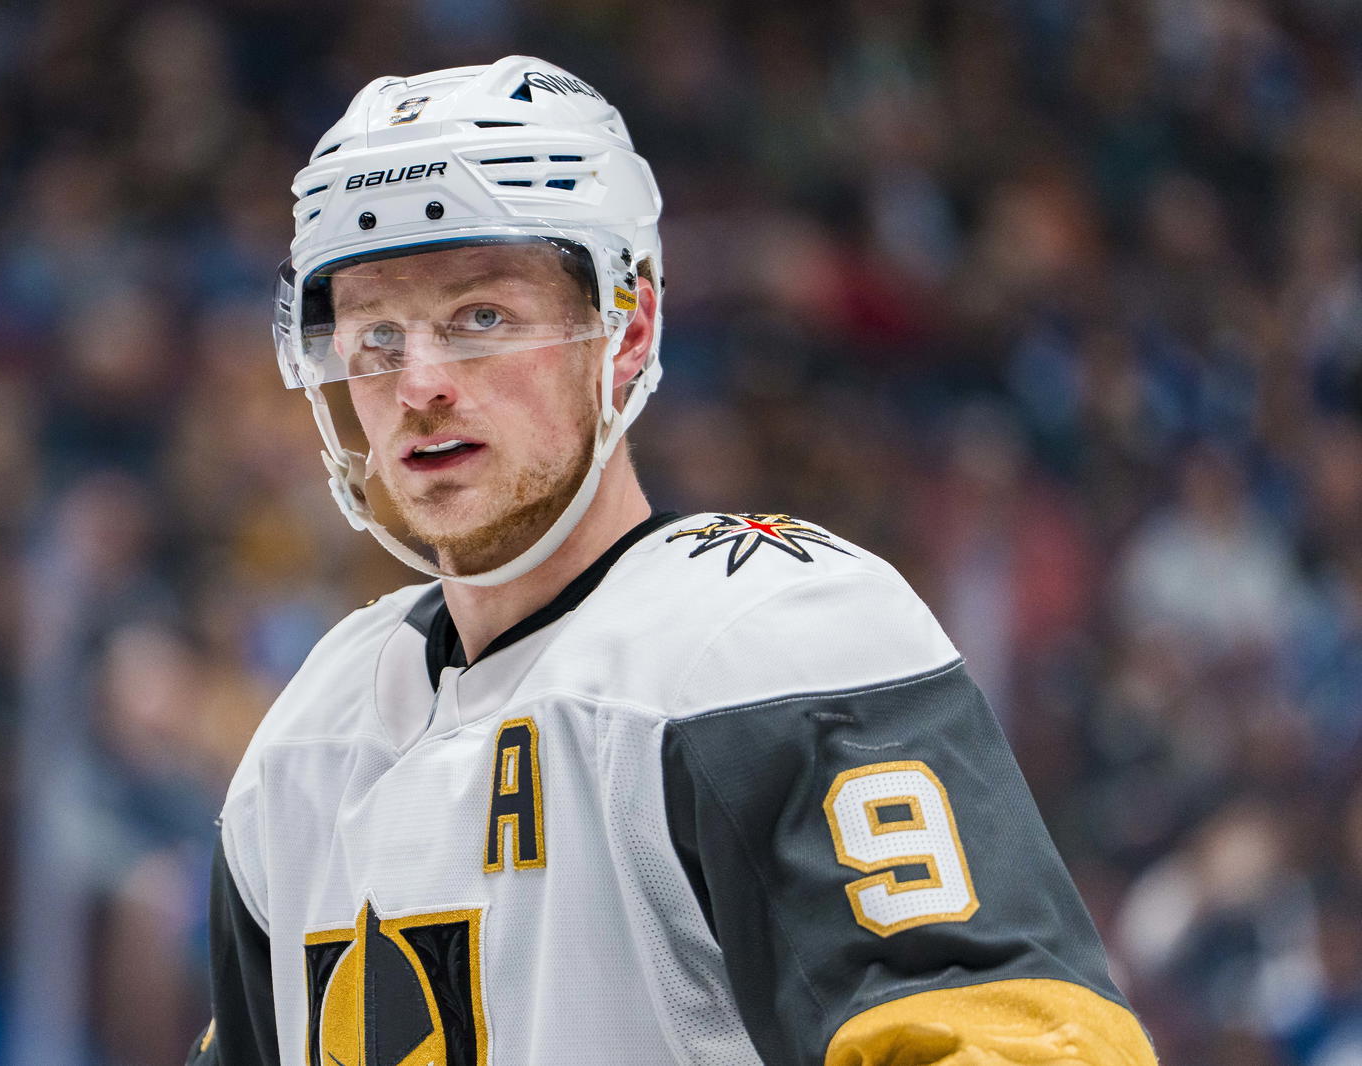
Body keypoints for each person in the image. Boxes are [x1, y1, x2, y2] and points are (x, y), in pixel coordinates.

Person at [187, 56, 1157, 1066]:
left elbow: (1022, 1045)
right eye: (377, 335)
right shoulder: (307, 740)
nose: (420, 383)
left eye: (481, 318)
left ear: (626, 328)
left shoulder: (767, 638)